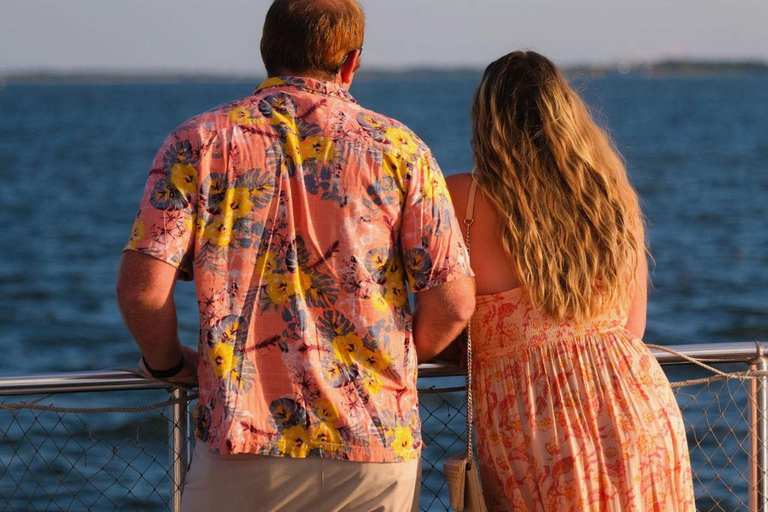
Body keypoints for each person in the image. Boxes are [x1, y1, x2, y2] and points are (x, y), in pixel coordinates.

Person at [116, 1, 475, 510]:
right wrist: (400, 365)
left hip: (243, 446)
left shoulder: (197, 142)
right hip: (374, 445)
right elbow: (455, 301)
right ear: (352, 62)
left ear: (266, 51)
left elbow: (140, 292)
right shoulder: (401, 149)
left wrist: (169, 363)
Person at [445, 51, 695, 511]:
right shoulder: (611, 196)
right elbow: (631, 327)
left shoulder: (463, 199)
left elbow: (440, 309)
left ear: (486, 120)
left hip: (535, 425)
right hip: (635, 407)